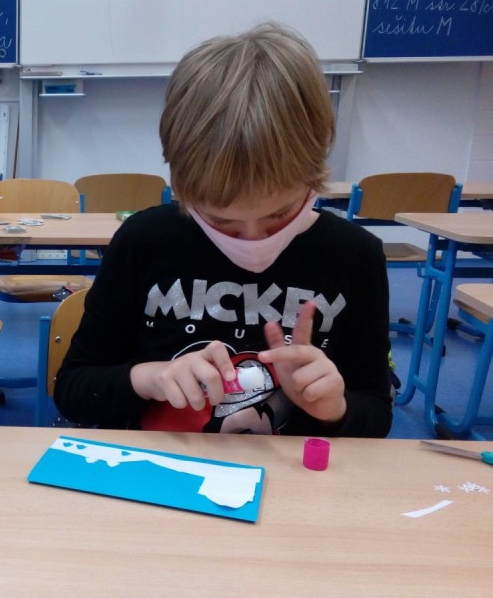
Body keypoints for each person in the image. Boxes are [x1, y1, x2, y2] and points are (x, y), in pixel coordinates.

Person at [54, 23, 392, 437]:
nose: (253, 241)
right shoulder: (144, 242)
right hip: (157, 465)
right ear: (182, 187)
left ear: (315, 176)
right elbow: (73, 388)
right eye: (221, 221)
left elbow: (376, 411)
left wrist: (335, 408)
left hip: (295, 473)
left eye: (280, 214)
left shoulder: (354, 256)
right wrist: (151, 377)